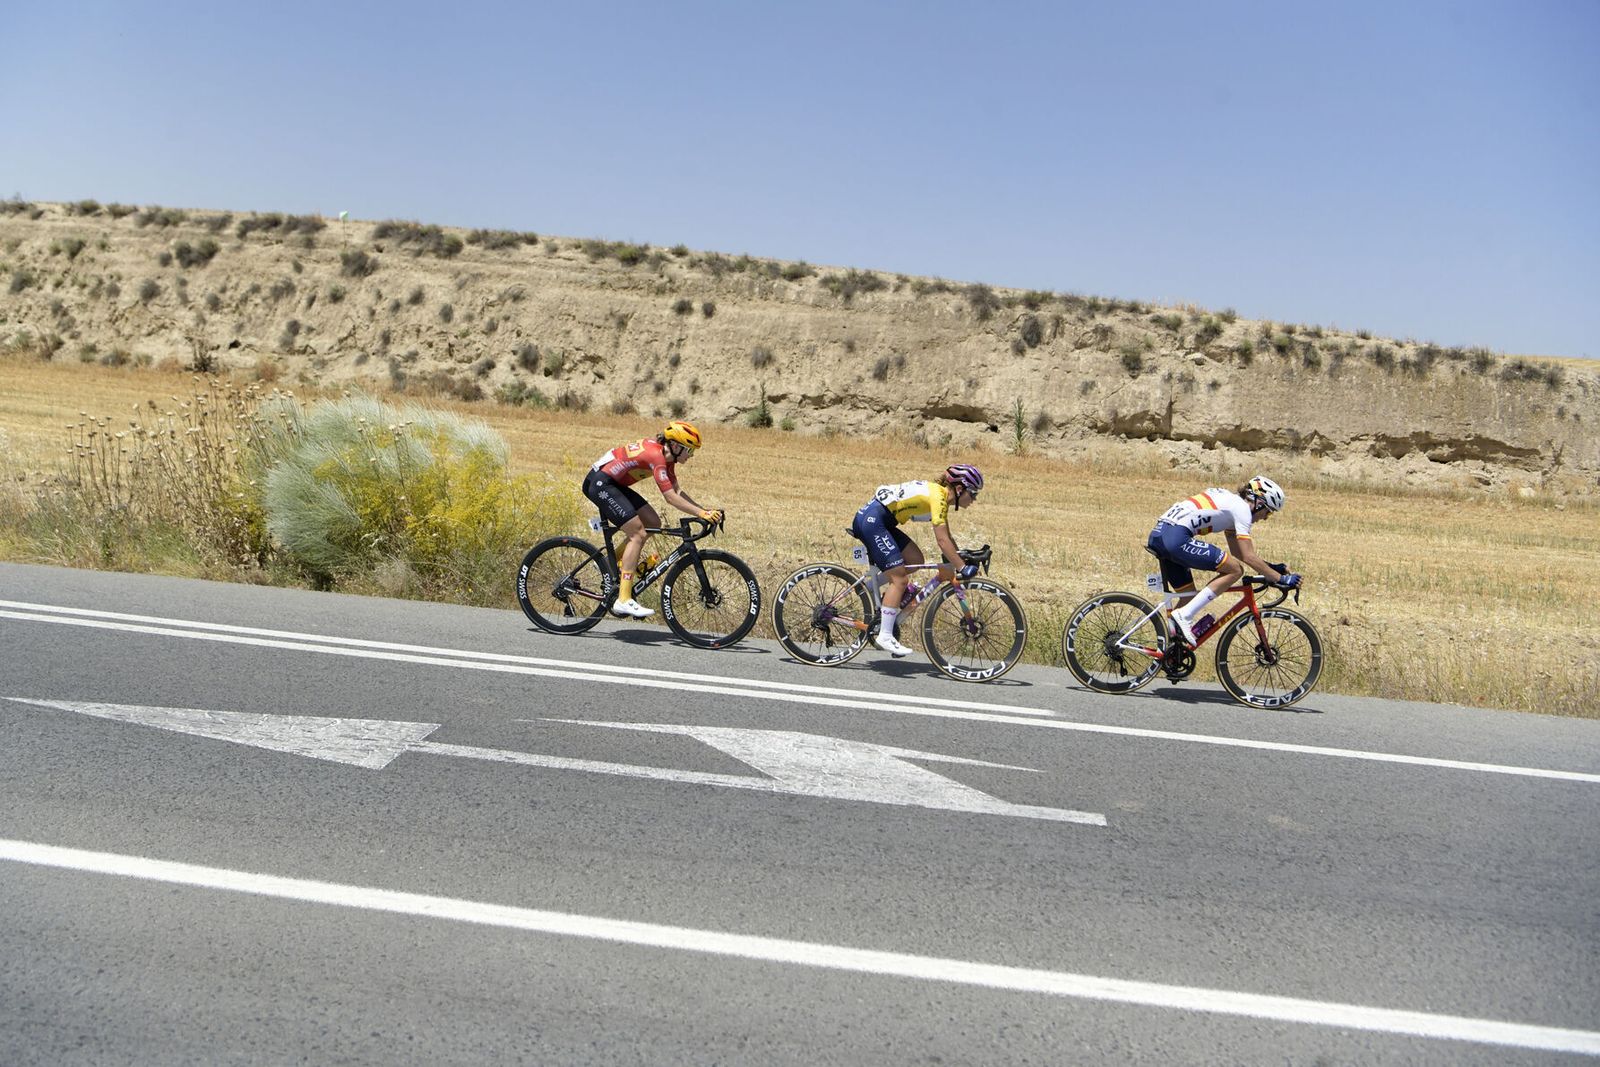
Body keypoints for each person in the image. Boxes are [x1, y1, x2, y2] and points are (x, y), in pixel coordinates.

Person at [583, 420, 723, 619]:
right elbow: (670, 497)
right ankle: (623, 599)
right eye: (689, 450)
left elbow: (677, 491)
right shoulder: (656, 455)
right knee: (638, 534)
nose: (691, 456)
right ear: (675, 446)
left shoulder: (668, 459)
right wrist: (701, 514)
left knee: (653, 523)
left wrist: (704, 511)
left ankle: (606, 563)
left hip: (613, 484)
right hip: (600, 484)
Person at [1146, 475, 1302, 646]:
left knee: (1188, 596)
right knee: (1235, 570)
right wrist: (1280, 579)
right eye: (1269, 512)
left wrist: (1271, 568)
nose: (1265, 517)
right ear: (1259, 503)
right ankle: (1184, 616)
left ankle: (1169, 651)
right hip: (1175, 537)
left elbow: (1238, 552)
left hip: (1161, 534)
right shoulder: (1242, 509)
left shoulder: (1231, 503)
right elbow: (1248, 556)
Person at [849, 464, 984, 657]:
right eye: (973, 493)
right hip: (873, 522)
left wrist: (960, 557)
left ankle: (870, 586)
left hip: (880, 521)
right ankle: (885, 635)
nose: (974, 499)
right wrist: (962, 567)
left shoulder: (940, 496)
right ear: (960, 488)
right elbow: (942, 541)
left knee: (914, 559)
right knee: (900, 580)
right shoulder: (938, 498)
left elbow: (947, 537)